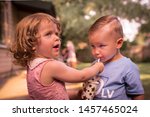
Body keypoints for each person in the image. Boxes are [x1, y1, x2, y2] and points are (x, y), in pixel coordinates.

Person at [10, 13, 104, 100]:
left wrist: (75, 94)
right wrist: (97, 67)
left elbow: (50, 94)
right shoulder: (51, 66)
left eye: (56, 34)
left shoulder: (32, 67)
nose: (57, 38)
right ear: (32, 43)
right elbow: (82, 76)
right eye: (48, 34)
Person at [82, 15, 144, 100]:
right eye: (93, 46)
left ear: (118, 43)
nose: (96, 52)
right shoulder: (94, 65)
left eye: (101, 46)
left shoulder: (128, 67)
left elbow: (138, 95)